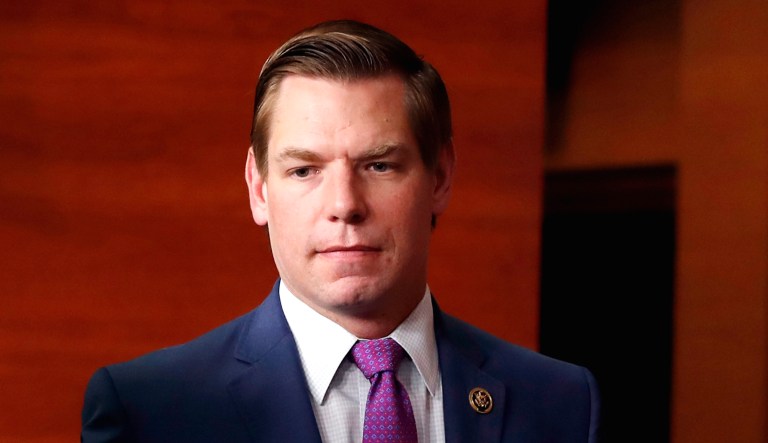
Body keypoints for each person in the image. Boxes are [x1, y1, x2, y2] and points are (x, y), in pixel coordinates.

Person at [81, 19, 600, 443]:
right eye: (304, 170)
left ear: (439, 177)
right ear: (259, 188)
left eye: (378, 165)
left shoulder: (561, 403)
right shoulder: (149, 412)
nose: (344, 206)